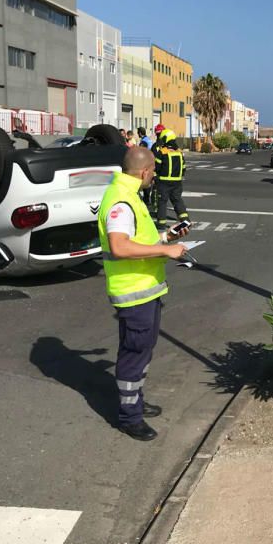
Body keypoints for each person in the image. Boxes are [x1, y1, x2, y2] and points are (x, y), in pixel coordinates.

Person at [98, 147, 189, 440]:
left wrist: (167, 237)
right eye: (154, 171)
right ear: (146, 171)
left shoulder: (128, 196)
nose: (155, 177)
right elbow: (120, 246)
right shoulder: (121, 202)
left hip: (144, 290)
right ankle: (129, 417)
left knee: (142, 350)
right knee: (134, 353)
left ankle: (135, 402)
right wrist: (166, 250)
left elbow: (141, 239)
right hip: (133, 292)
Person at [154, 127, 190, 230]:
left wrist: (156, 178)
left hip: (164, 183)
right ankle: (186, 221)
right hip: (177, 183)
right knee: (177, 201)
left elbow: (157, 167)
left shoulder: (162, 152)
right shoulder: (179, 152)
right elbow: (183, 168)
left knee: (162, 202)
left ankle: (161, 224)